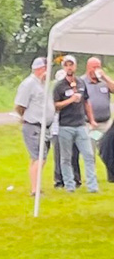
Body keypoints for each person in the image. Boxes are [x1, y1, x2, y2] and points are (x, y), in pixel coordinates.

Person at [52, 55, 99, 193]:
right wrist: (71, 100)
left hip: (80, 125)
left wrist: (91, 120)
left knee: (88, 155)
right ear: (63, 67)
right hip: (65, 126)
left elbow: (86, 102)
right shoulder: (59, 86)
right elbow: (56, 105)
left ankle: (92, 186)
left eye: (71, 65)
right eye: (66, 65)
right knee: (66, 158)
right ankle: (69, 185)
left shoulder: (80, 83)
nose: (69, 67)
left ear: (75, 66)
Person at [14, 57, 54, 196]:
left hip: (45, 126)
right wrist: (25, 118)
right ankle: (35, 190)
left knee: (37, 157)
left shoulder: (44, 84)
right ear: (40, 69)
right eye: (47, 68)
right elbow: (20, 105)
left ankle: (35, 186)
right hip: (33, 125)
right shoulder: (29, 84)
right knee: (39, 157)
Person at [51, 66, 80, 188]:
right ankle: (59, 179)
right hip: (57, 127)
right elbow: (55, 107)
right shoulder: (55, 92)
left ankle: (76, 178)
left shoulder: (73, 88)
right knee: (59, 154)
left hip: (71, 124)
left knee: (74, 153)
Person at [80, 57, 113, 143]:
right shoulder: (81, 82)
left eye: (98, 67)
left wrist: (105, 77)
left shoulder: (104, 82)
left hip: (105, 123)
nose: (96, 70)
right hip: (89, 124)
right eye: (94, 67)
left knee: (108, 150)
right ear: (88, 67)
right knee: (90, 151)